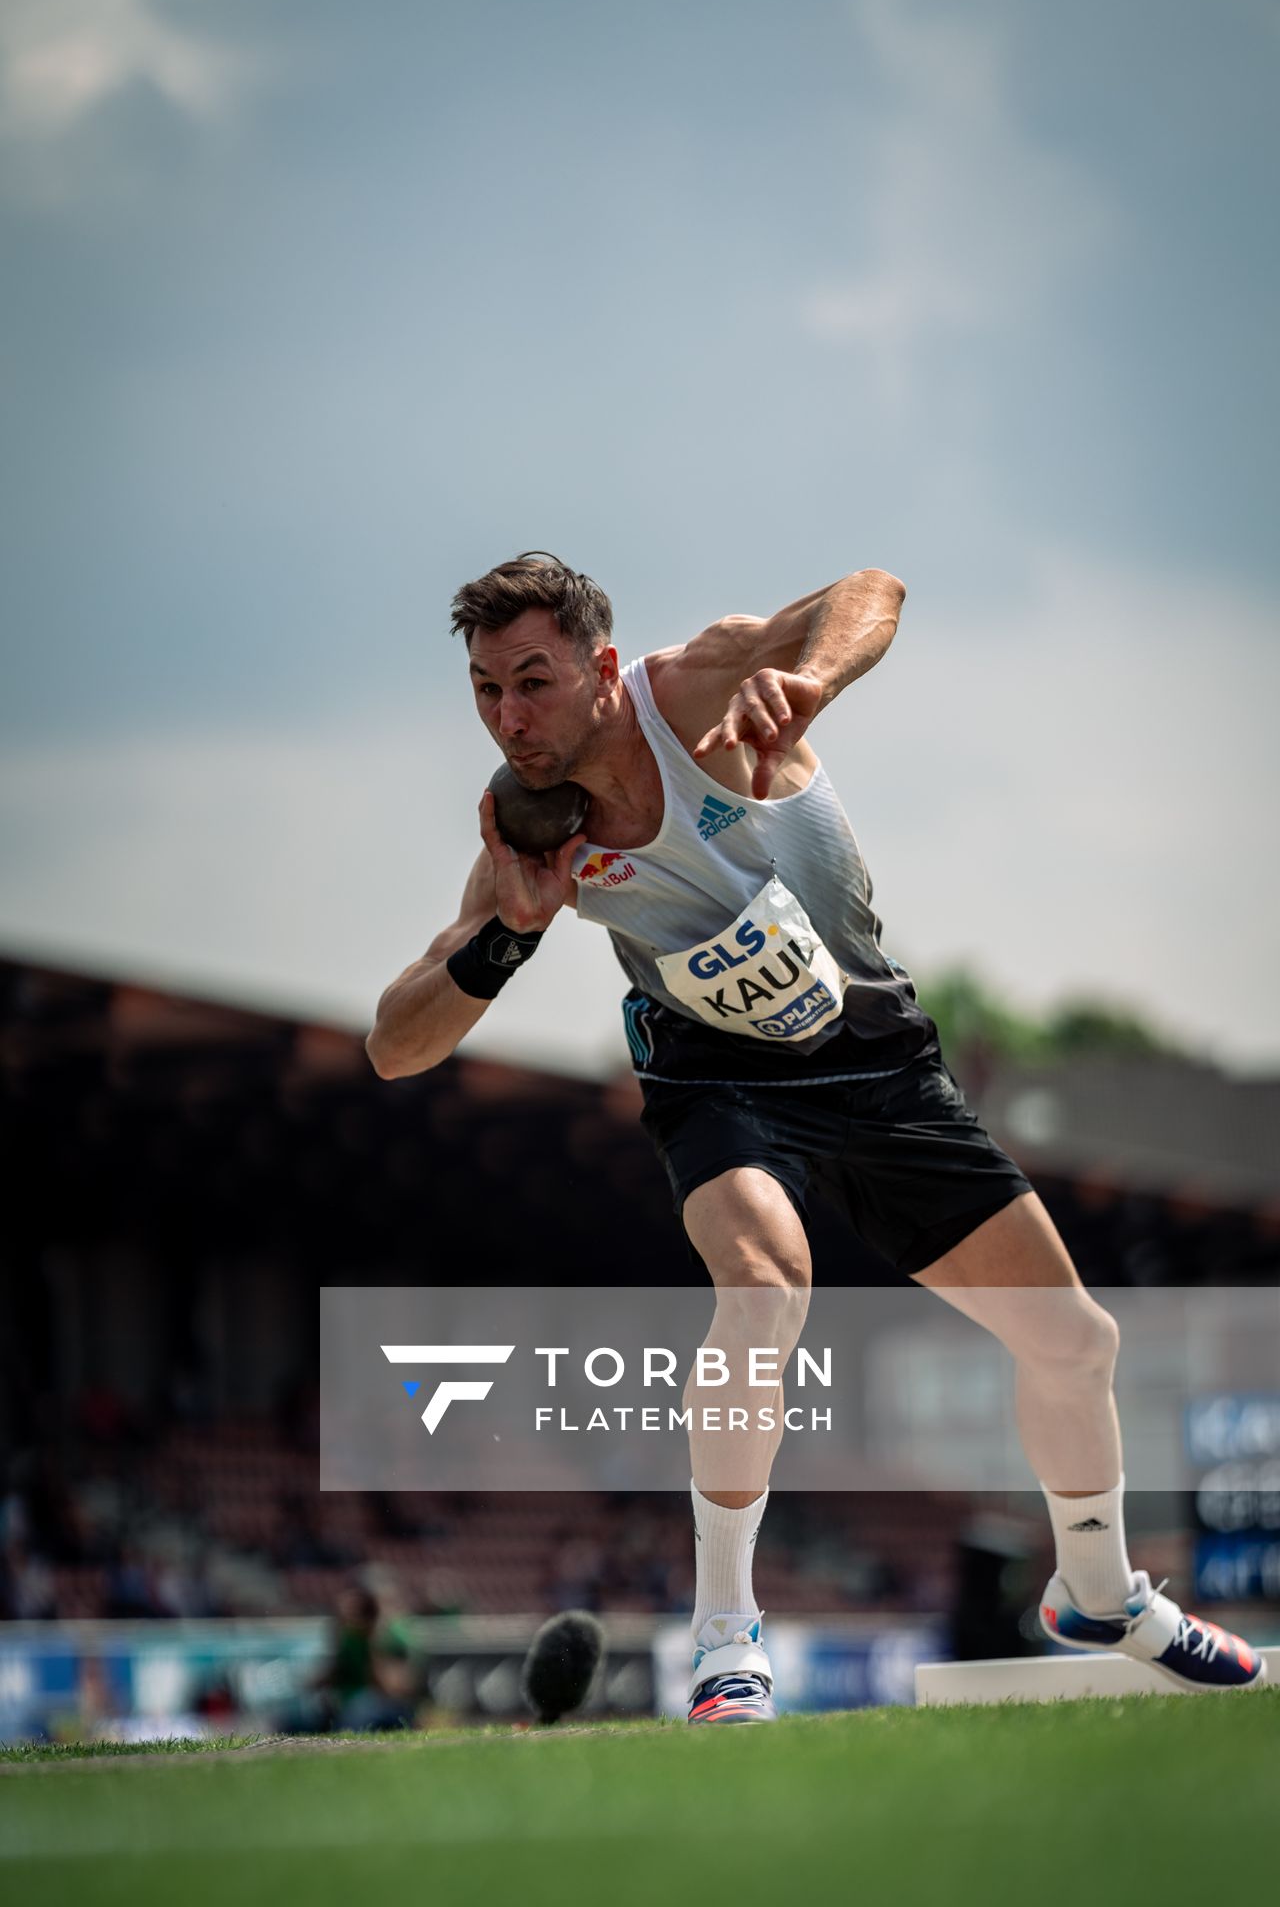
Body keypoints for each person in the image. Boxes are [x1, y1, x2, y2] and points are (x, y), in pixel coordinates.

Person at [366, 551, 1265, 1722]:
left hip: (876, 1063)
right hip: (716, 1082)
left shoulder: (693, 689)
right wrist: (507, 941)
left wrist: (812, 683)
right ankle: (725, 1636)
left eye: (529, 680)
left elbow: (870, 592)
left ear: (598, 668)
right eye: (485, 690)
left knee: (1076, 1341)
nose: (507, 716)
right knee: (761, 1289)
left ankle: (1095, 1592)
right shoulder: (531, 833)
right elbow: (395, 1044)